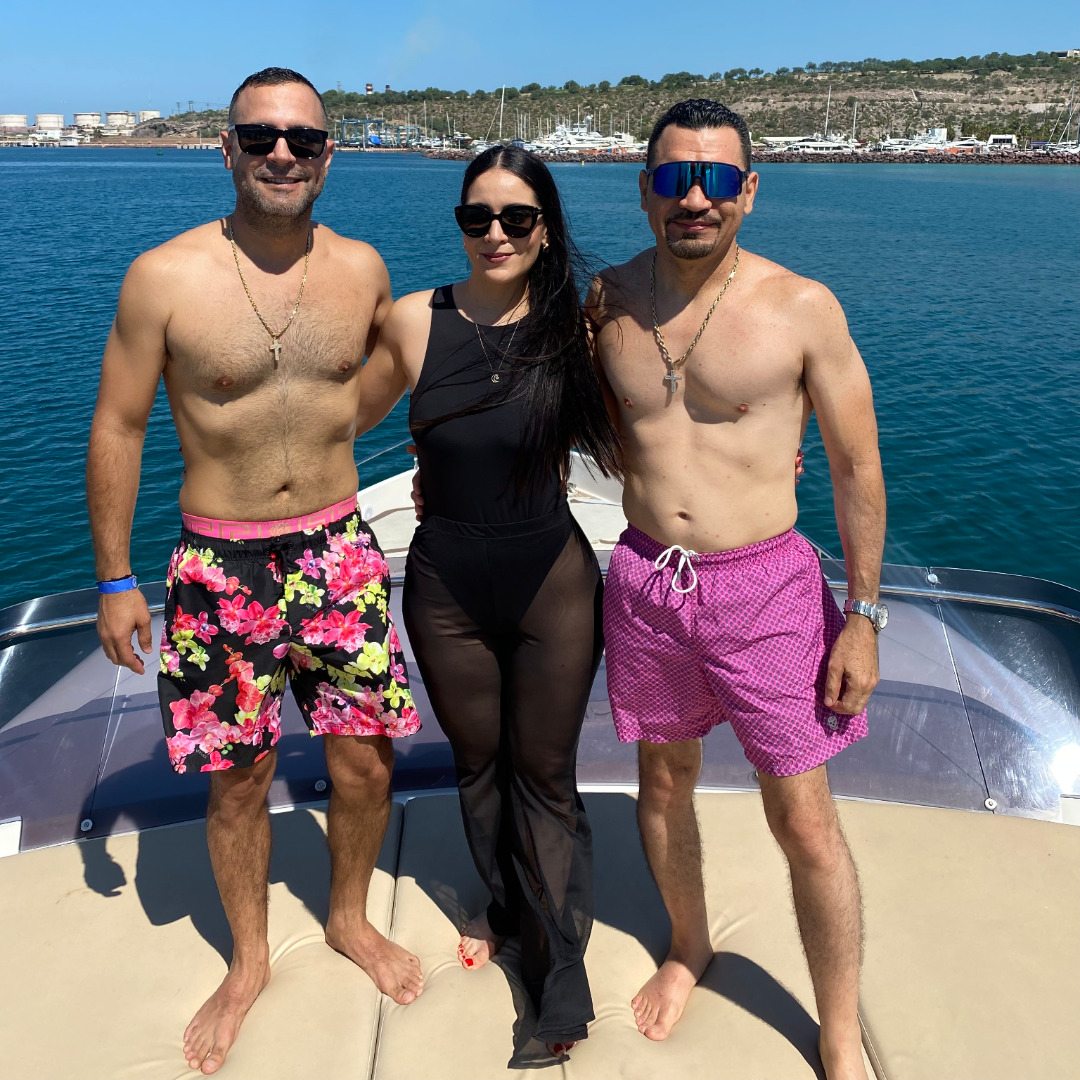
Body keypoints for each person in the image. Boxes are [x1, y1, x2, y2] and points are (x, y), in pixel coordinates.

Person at [87, 67, 423, 1076]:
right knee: (238, 781)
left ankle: (349, 917)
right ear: (227, 147)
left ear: (329, 155)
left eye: (303, 140)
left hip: (339, 550)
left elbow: (400, 373)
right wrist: (113, 577)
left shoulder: (362, 270)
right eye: (262, 136)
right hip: (219, 561)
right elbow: (119, 424)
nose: (283, 153)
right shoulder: (163, 278)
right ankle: (248, 961)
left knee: (366, 759)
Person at [591, 99, 886, 1080]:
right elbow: (572, 415)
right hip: (646, 581)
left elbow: (855, 466)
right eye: (675, 178)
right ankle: (689, 946)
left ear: (749, 192)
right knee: (663, 781)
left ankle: (836, 1029)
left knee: (802, 817)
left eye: (716, 179)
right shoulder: (606, 301)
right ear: (645, 190)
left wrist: (864, 617)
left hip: (766, 590)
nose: (695, 199)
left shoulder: (803, 308)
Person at [355, 145, 621, 1057]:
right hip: (447, 586)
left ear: (546, 229)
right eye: (478, 217)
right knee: (479, 766)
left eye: (516, 217)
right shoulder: (414, 322)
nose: (496, 233)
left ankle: (558, 978)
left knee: (543, 775)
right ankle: (507, 910)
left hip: (551, 580)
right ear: (461, 226)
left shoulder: (576, 330)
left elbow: (651, 418)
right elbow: (335, 421)